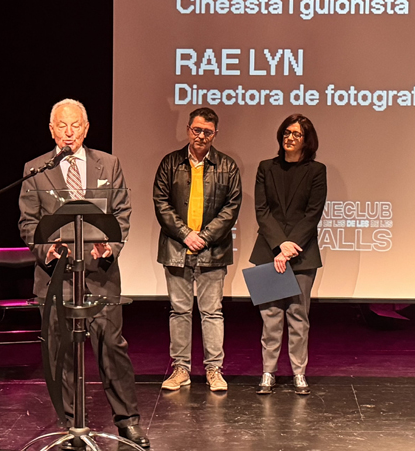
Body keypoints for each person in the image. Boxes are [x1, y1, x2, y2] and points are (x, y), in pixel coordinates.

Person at [18, 98, 149, 449]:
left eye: (75, 125)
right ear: (51, 130)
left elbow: (121, 212)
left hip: (99, 275)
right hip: (56, 279)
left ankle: (128, 422)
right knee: (62, 354)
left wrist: (108, 247)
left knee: (112, 348)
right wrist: (48, 250)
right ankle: (74, 425)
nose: (69, 131)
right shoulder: (36, 169)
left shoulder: (109, 164)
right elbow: (28, 223)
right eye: (62, 125)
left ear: (86, 128)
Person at [153, 107, 242, 392]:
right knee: (179, 311)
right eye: (196, 130)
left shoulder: (227, 166)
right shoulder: (170, 163)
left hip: (212, 250)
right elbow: (161, 203)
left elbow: (231, 208)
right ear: (188, 129)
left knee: (212, 312)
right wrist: (185, 235)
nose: (201, 136)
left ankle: (214, 369)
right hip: (177, 248)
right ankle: (181, 369)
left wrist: (203, 237)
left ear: (216, 134)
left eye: (207, 132)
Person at [249, 113, 327, 396]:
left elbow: (312, 214)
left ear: (307, 141)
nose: (289, 138)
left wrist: (290, 246)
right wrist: (279, 245)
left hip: (302, 254)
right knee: (270, 316)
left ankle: (298, 373)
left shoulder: (317, 171)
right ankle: (268, 372)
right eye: (286, 133)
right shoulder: (265, 168)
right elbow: (262, 211)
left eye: (296, 134)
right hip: (268, 250)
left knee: (298, 315)